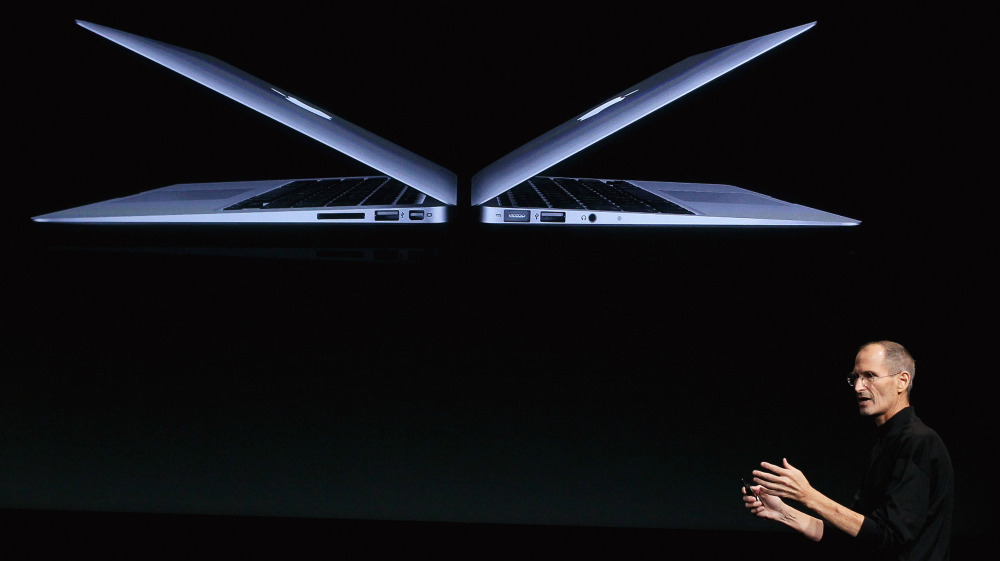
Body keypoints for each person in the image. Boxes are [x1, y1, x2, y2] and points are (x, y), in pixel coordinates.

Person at [743, 341, 953, 560]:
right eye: (855, 378)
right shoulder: (887, 444)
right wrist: (784, 513)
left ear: (902, 381)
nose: (858, 387)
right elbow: (856, 534)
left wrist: (808, 495)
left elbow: (889, 537)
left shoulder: (918, 442)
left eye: (870, 376)